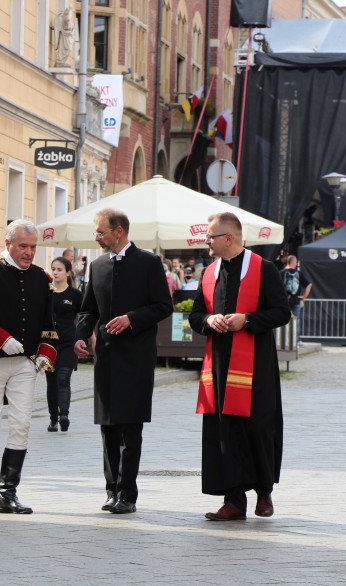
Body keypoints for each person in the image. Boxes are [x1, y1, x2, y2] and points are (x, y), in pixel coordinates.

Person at [188, 212, 292, 520]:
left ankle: (264, 491)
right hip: (219, 365)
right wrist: (209, 320)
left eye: (210, 237)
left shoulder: (264, 269)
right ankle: (233, 500)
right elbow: (195, 315)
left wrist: (247, 320)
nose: (207, 242)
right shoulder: (209, 273)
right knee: (225, 431)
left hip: (256, 365)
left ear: (229, 238)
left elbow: (281, 312)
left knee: (258, 427)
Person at [74, 209, 173, 514]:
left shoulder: (148, 262)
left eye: (100, 232)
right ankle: (111, 490)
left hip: (136, 357)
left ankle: (127, 494)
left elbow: (163, 306)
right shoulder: (97, 266)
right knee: (108, 427)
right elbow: (88, 309)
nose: (96, 237)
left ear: (118, 231)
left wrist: (132, 318)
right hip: (106, 357)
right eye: (95, 232)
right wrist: (80, 335)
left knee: (130, 428)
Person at [0, 220, 57, 514]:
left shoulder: (42, 278)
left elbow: (48, 325)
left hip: (25, 365)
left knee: (21, 425)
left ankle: (8, 493)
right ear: (8, 243)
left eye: (33, 247)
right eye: (23, 246)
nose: (29, 252)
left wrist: (45, 355)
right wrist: (1, 340)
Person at [47, 256, 82, 433]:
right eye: (53, 269)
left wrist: (91, 340)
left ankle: (64, 416)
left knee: (63, 378)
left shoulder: (75, 295)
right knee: (52, 382)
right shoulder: (46, 293)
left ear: (68, 272)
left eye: (59, 269)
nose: (55, 272)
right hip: (48, 343)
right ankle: (53, 418)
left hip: (68, 342)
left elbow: (85, 318)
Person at [280, 255, 311, 320]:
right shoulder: (299, 273)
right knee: (295, 321)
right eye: (296, 262)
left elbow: (275, 286)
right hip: (295, 301)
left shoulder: (281, 273)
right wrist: (304, 296)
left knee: (284, 320)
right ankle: (294, 324)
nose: (296, 264)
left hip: (284, 301)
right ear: (293, 262)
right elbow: (309, 285)